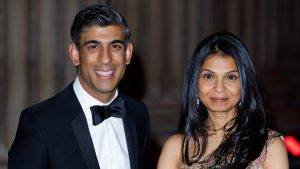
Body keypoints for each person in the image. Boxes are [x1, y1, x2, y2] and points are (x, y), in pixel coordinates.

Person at [8, 4, 151, 169]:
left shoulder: (139, 114)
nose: (106, 59)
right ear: (75, 54)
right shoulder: (40, 122)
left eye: (115, 46)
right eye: (93, 47)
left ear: (127, 54)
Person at [157, 32, 289, 169]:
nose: (219, 88)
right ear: (195, 83)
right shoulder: (176, 149)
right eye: (209, 76)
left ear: (244, 84)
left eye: (231, 77)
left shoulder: (269, 147)